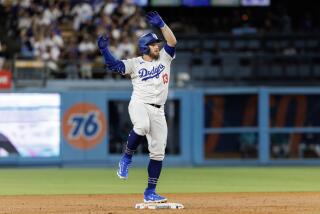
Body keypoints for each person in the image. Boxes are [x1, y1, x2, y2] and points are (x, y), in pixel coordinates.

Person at [97, 11, 177, 203]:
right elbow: (114, 65)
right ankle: (126, 159)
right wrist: (104, 51)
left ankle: (150, 192)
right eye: (153, 44)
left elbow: (172, 42)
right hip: (140, 103)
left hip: (159, 110)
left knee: (158, 153)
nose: (157, 46)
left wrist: (162, 24)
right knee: (141, 126)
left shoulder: (165, 58)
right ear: (144, 47)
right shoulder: (135, 63)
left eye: (157, 43)